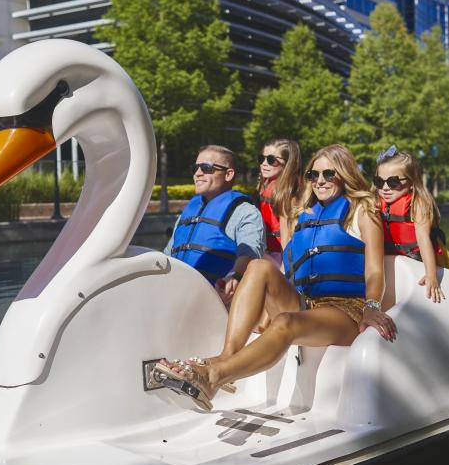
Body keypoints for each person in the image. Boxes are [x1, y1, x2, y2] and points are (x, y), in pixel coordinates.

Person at [157, 144, 396, 411]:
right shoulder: (305, 214)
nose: (319, 181)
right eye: (312, 175)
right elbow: (289, 272)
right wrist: (256, 308)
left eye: (328, 174)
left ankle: (214, 376)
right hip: (308, 303)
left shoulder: (362, 210)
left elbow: (375, 270)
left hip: (345, 310)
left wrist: (372, 308)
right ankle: (226, 356)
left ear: (344, 173)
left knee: (284, 322)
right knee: (259, 266)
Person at [165, 145, 265, 304]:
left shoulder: (245, 212)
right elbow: (167, 255)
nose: (198, 173)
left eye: (206, 167)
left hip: (216, 302)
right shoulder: (188, 213)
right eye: (195, 168)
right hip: (174, 294)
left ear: (228, 174)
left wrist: (235, 276)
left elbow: (251, 253)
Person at [373, 147, 449, 305]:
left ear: (411, 182)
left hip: (421, 260)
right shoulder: (374, 202)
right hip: (393, 262)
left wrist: (431, 275)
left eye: (393, 182)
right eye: (379, 182)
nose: (385, 188)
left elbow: (423, 239)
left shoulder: (418, 203)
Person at [255, 139, 303, 265]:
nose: (264, 164)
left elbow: (286, 236)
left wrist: (285, 268)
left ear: (287, 164)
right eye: (262, 159)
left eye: (271, 160)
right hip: (265, 252)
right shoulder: (265, 185)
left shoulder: (285, 194)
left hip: (279, 257)